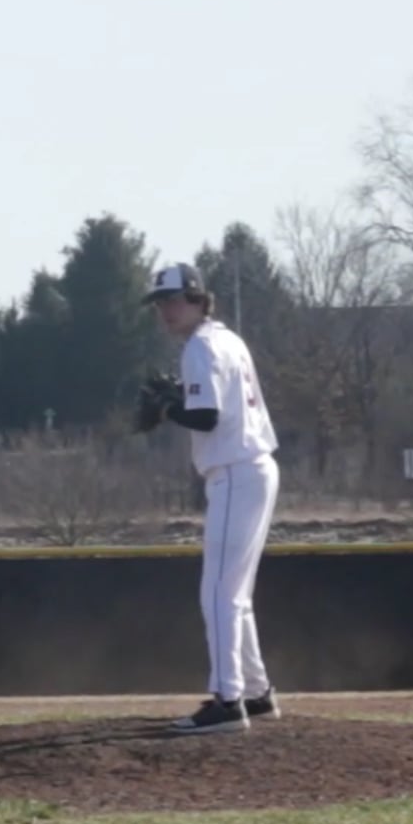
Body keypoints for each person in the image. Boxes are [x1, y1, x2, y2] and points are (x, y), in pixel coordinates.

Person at [141, 263, 283, 735]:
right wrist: (179, 396)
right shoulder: (228, 340)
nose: (165, 310)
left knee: (218, 592)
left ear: (200, 299)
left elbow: (204, 418)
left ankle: (228, 700)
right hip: (257, 466)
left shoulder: (201, 346)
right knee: (235, 593)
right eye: (160, 303)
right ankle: (257, 692)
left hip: (236, 472)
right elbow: (214, 404)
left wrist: (168, 406)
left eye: (174, 300)